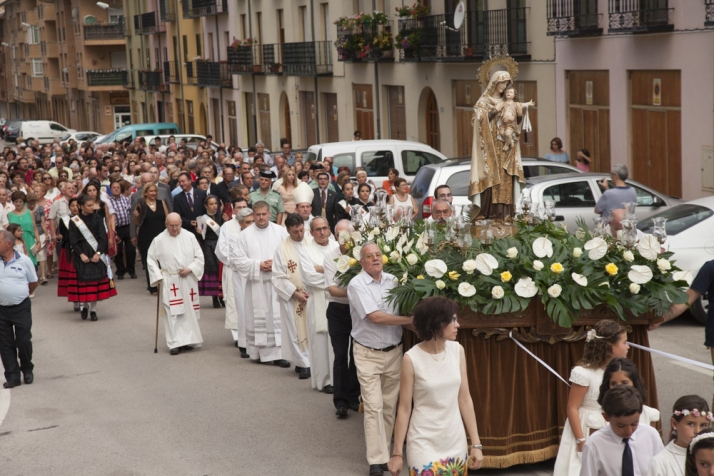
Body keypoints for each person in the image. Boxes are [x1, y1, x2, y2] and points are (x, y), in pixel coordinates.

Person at [388, 296, 483, 476]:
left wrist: (476, 444)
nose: (458, 325)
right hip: (423, 442)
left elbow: (464, 399)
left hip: (455, 440)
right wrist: (397, 453)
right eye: (452, 320)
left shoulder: (457, 351)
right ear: (436, 323)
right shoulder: (411, 358)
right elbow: (404, 408)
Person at [347, 242, 413, 476]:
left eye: (378, 255)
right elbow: (374, 317)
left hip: (394, 352)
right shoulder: (356, 284)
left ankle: (385, 455)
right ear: (362, 262)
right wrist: (409, 321)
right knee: (373, 407)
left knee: (388, 407)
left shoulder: (394, 281)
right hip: (367, 353)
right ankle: (375, 461)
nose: (375, 259)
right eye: (369, 256)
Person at [553, 320, 630, 476]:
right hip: (586, 426)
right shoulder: (584, 373)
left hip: (609, 421)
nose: (628, 346)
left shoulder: (618, 370)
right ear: (611, 347)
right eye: (625, 342)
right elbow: (572, 408)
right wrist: (581, 440)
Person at [468, 66, 532, 220]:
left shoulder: (508, 101)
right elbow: (478, 121)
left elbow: (515, 121)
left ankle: (506, 214)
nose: (504, 87)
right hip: (489, 148)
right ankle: (488, 212)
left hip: (505, 148)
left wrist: (518, 114)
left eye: (507, 83)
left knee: (505, 178)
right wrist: (494, 111)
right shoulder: (483, 101)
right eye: (502, 83)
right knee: (490, 177)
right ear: (494, 83)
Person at [233, 201, 290, 366]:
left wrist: (276, 265)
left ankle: (280, 355)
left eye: (264, 214)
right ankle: (258, 352)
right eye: (257, 215)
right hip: (256, 284)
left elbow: (290, 253)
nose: (261, 217)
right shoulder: (245, 235)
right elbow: (238, 260)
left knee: (277, 318)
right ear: (253, 215)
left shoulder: (280, 232)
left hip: (276, 283)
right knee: (259, 318)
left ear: (269, 213)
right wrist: (258, 265)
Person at [147, 213, 205, 356]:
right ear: (166, 224)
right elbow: (151, 259)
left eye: (177, 225)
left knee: (189, 311)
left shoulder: (190, 237)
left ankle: (190, 340)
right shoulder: (159, 240)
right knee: (173, 312)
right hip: (170, 279)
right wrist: (158, 277)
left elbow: (199, 257)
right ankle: (175, 343)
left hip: (188, 279)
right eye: (171, 225)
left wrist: (190, 268)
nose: (174, 228)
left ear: (181, 223)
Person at [580, 386, 664, 476]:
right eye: (621, 425)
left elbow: (662, 469)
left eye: (634, 424)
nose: (628, 431)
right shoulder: (594, 444)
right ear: (606, 417)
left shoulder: (650, 435)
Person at [324, 219, 361, 418]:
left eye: (347, 235)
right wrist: (357, 293)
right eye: (339, 236)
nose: (343, 240)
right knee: (340, 356)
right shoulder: (330, 257)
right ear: (336, 237)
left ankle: (354, 396)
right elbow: (332, 289)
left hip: (358, 311)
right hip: (338, 311)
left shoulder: (361, 254)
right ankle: (340, 401)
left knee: (356, 355)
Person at [271, 213, 313, 379]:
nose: (300, 234)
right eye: (295, 232)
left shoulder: (312, 242)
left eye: (302, 230)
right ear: (288, 230)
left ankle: (311, 360)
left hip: (312, 294)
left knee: (312, 328)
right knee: (295, 330)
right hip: (293, 296)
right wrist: (295, 294)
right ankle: (303, 364)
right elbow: (278, 276)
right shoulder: (282, 249)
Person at [68, 194, 118, 321]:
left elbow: (102, 237)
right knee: (84, 282)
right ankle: (85, 306)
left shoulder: (97, 218)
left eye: (92, 205)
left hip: (96, 251)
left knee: (95, 282)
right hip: (82, 252)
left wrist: (99, 253)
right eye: (89, 206)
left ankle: (93, 310)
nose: (92, 208)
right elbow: (73, 240)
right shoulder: (74, 221)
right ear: (81, 206)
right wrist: (81, 254)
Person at [302, 217, 337, 393]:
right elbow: (309, 277)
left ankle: (338, 379)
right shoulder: (305, 251)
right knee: (321, 342)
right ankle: (325, 380)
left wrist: (323, 269)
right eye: (318, 229)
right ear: (311, 232)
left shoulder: (337, 247)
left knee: (337, 342)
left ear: (330, 228)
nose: (322, 232)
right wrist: (333, 275)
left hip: (338, 301)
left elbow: (347, 272)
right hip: (318, 301)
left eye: (325, 228)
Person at [0, 229, 38, 389]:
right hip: (1, 309)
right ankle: (13, 376)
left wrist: (22, 295)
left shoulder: (24, 260)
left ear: (9, 244)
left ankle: (27, 369)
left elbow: (33, 282)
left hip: (21, 307)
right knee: (5, 344)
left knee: (23, 340)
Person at [215, 198, 249, 353]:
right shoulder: (227, 227)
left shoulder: (253, 224)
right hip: (233, 269)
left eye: (244, 206)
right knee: (234, 301)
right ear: (233, 210)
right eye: (238, 207)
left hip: (250, 270)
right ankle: (237, 336)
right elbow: (221, 249)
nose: (242, 210)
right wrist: (236, 262)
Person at [648, 395, 711, 476]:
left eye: (703, 425)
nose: (697, 431)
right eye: (690, 424)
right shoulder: (660, 463)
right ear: (674, 424)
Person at [597, 358, 661, 427]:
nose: (619, 388)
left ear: (635, 383)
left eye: (624, 383)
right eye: (613, 384)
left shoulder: (648, 414)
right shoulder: (598, 417)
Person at [134, 184, 170, 295]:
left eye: (155, 191)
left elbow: (167, 218)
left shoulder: (161, 202)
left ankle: (164, 284)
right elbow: (136, 222)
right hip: (146, 236)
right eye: (151, 191)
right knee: (149, 261)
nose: (153, 193)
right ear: (145, 193)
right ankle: (153, 287)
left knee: (163, 260)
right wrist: (136, 216)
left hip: (161, 236)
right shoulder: (141, 204)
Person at [196, 195, 224, 308]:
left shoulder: (221, 217)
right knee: (212, 270)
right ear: (206, 206)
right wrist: (199, 231)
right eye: (211, 204)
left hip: (219, 244)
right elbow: (202, 235)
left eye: (216, 203)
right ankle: (214, 297)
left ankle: (222, 296)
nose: (214, 206)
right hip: (209, 245)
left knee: (221, 270)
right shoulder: (202, 218)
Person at [108, 180, 136, 280]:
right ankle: (120, 271)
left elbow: (130, 213)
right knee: (118, 251)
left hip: (127, 227)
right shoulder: (108, 202)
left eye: (118, 187)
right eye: (114, 187)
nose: (116, 189)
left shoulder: (126, 200)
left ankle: (131, 270)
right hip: (117, 229)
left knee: (131, 250)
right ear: (110, 189)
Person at [56, 197, 80, 311]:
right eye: (72, 206)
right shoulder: (64, 219)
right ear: (69, 208)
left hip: (81, 249)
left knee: (80, 276)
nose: (75, 208)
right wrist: (60, 237)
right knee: (72, 276)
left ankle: (82, 299)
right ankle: (75, 300)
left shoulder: (84, 218)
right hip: (69, 249)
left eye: (77, 205)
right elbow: (62, 235)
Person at [494, 87, 534, 152]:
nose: (508, 93)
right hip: (503, 123)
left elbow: (522, 105)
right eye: (507, 92)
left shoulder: (516, 104)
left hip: (511, 123)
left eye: (510, 92)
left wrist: (528, 104)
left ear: (514, 95)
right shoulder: (503, 103)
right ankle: (510, 141)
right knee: (501, 133)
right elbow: (496, 104)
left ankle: (507, 144)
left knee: (507, 133)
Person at [8, 191, 40, 267]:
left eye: (20, 201)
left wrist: (38, 242)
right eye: (16, 201)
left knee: (31, 264)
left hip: (29, 240)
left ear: (24, 202)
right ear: (13, 202)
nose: (18, 203)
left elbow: (35, 228)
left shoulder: (30, 213)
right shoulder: (9, 215)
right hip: (17, 242)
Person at [173, 171, 208, 236]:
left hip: (202, 230)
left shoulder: (201, 194)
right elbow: (178, 216)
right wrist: (189, 222)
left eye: (183, 181)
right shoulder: (177, 198)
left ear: (190, 181)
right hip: (187, 231)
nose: (181, 184)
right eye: (179, 182)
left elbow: (206, 210)